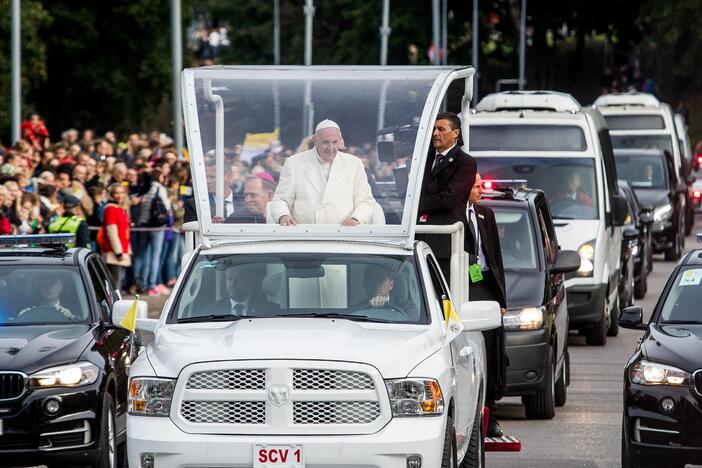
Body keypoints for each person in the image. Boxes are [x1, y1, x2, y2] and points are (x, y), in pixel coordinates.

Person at [269, 119, 377, 225]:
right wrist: (283, 215)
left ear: (340, 141)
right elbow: (280, 199)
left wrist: (356, 219)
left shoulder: (354, 164)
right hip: (304, 235)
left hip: (344, 235)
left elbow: (366, 201)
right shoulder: (294, 163)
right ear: (315, 140)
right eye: (326, 142)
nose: (331, 148)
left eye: (335, 142)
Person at [466, 173, 507, 438]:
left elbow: (496, 259)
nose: (481, 188)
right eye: (476, 184)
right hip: (465, 288)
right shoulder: (453, 216)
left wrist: (502, 301)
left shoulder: (486, 215)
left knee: (493, 351)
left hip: (486, 287)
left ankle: (490, 412)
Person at [416, 112, 477, 282]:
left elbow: (449, 198)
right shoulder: (422, 159)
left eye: (441, 129)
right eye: (434, 129)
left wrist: (415, 205)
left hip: (445, 244)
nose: (435, 133)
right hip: (419, 238)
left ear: (455, 133)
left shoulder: (465, 162)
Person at [211, 264, 280, 316]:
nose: (232, 284)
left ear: (249, 281)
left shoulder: (270, 310)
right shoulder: (212, 310)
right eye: (229, 279)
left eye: (238, 279)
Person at [97, 184, 132, 288]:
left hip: (122, 249)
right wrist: (118, 252)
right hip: (114, 252)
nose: (119, 195)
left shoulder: (120, 208)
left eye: (121, 192)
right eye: (116, 193)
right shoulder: (110, 209)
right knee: (114, 286)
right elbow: (111, 232)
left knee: (117, 283)